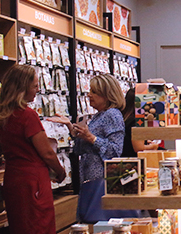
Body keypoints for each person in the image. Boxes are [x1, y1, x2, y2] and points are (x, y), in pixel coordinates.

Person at [0, 64, 66, 234]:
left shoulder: (3, 116)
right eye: (34, 85)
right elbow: (46, 151)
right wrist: (60, 171)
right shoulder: (27, 116)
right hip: (33, 180)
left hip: (14, 178)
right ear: (23, 87)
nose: (37, 90)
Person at [50, 74, 125, 223]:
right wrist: (73, 130)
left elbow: (115, 151)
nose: (89, 95)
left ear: (107, 95)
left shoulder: (112, 115)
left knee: (97, 221)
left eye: (94, 92)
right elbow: (81, 150)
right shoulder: (98, 116)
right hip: (90, 179)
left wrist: (91, 137)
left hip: (102, 181)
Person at [121, 87, 160, 158]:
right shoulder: (136, 121)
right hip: (134, 160)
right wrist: (154, 146)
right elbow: (139, 148)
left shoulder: (125, 118)